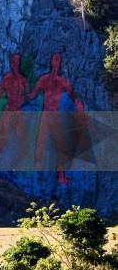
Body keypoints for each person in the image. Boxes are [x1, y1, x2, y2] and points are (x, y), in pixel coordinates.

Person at [26, 53, 81, 185]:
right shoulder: (44, 79)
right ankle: (37, 167)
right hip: (46, 115)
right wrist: (20, 100)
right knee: (40, 141)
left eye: (58, 60)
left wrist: (78, 103)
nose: (56, 62)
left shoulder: (62, 82)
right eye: (54, 60)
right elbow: (33, 94)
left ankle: (60, 175)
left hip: (55, 116)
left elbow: (73, 95)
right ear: (50, 62)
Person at [0, 54, 29, 170]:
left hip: (18, 113)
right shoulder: (7, 79)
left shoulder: (23, 80)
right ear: (11, 63)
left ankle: (16, 169)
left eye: (18, 62)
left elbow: (28, 96)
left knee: (23, 141)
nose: (16, 64)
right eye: (14, 62)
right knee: (0, 140)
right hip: (8, 112)